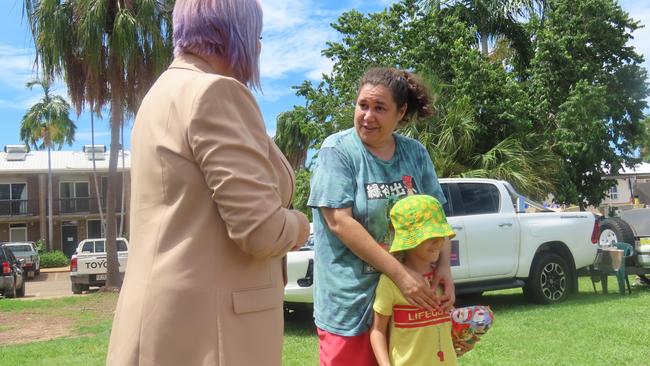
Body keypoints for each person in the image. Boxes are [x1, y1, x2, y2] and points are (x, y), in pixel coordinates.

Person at [106, 1, 310, 365]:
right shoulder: (215, 92)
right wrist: (300, 225)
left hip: (162, 320)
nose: (259, 48)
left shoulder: (159, 95)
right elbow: (260, 230)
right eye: (258, 36)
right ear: (237, 34)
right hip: (211, 332)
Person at [308, 67, 455, 365]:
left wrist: (444, 267)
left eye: (379, 108)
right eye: (363, 105)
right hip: (351, 304)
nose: (367, 116)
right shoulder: (337, 151)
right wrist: (400, 275)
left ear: (401, 112)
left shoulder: (415, 153)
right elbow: (339, 221)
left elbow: (436, 218)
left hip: (409, 302)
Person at [370, 194, 458, 366]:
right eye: (430, 237)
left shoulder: (441, 279)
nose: (439, 241)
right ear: (407, 240)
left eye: (441, 235)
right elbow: (377, 331)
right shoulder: (390, 283)